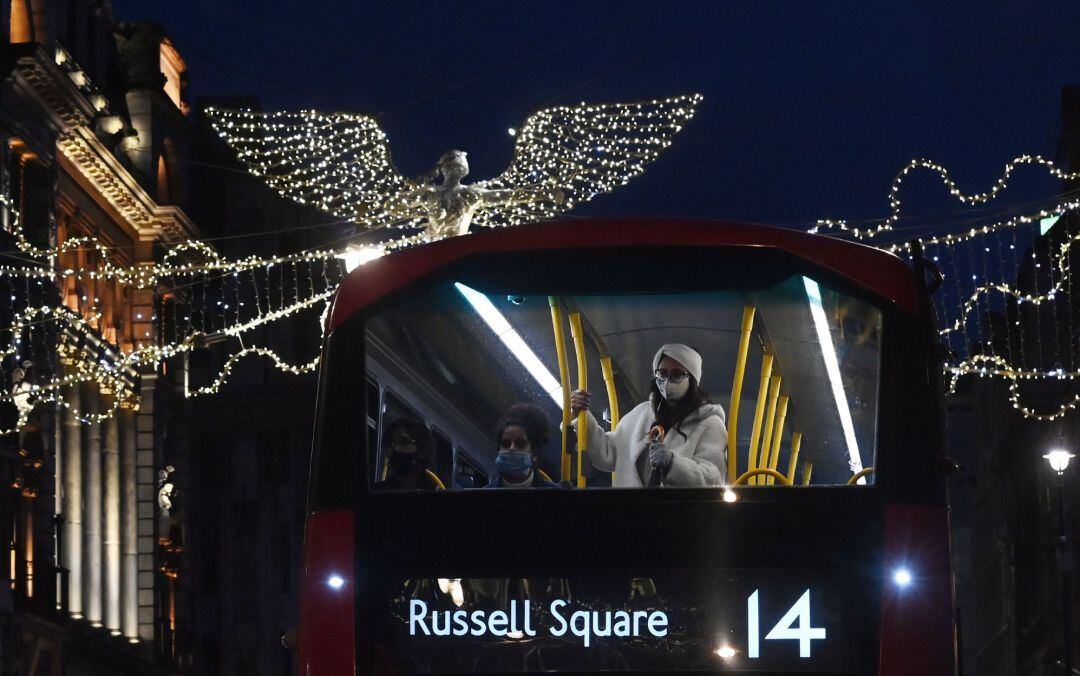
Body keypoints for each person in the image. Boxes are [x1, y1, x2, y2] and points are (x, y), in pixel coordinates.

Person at [571, 343, 725, 488]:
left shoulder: (709, 423)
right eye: (662, 373)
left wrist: (673, 464)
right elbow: (608, 453)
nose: (667, 381)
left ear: (691, 380)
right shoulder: (641, 413)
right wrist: (583, 416)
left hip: (681, 514)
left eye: (677, 375)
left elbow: (713, 478)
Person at [487, 404, 559, 488]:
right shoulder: (480, 498)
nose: (511, 448)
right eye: (505, 444)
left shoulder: (556, 496)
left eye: (520, 444)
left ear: (534, 453)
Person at [375, 419, 440, 490]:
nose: (396, 448)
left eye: (404, 442)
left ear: (423, 451)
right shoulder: (378, 491)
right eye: (391, 444)